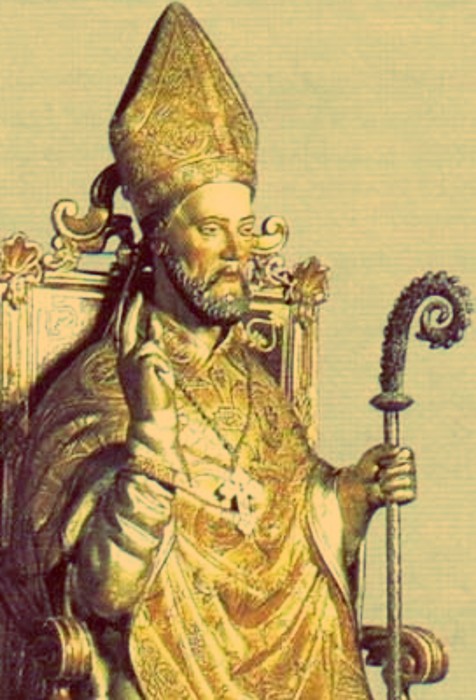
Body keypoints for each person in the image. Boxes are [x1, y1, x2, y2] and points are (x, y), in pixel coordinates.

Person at [15, 4, 416, 698]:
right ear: (159, 242)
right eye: (210, 229)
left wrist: (351, 495)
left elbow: (290, 524)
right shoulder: (102, 385)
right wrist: (149, 439)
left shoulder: (258, 388)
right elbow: (104, 594)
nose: (239, 252)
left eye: (245, 228)